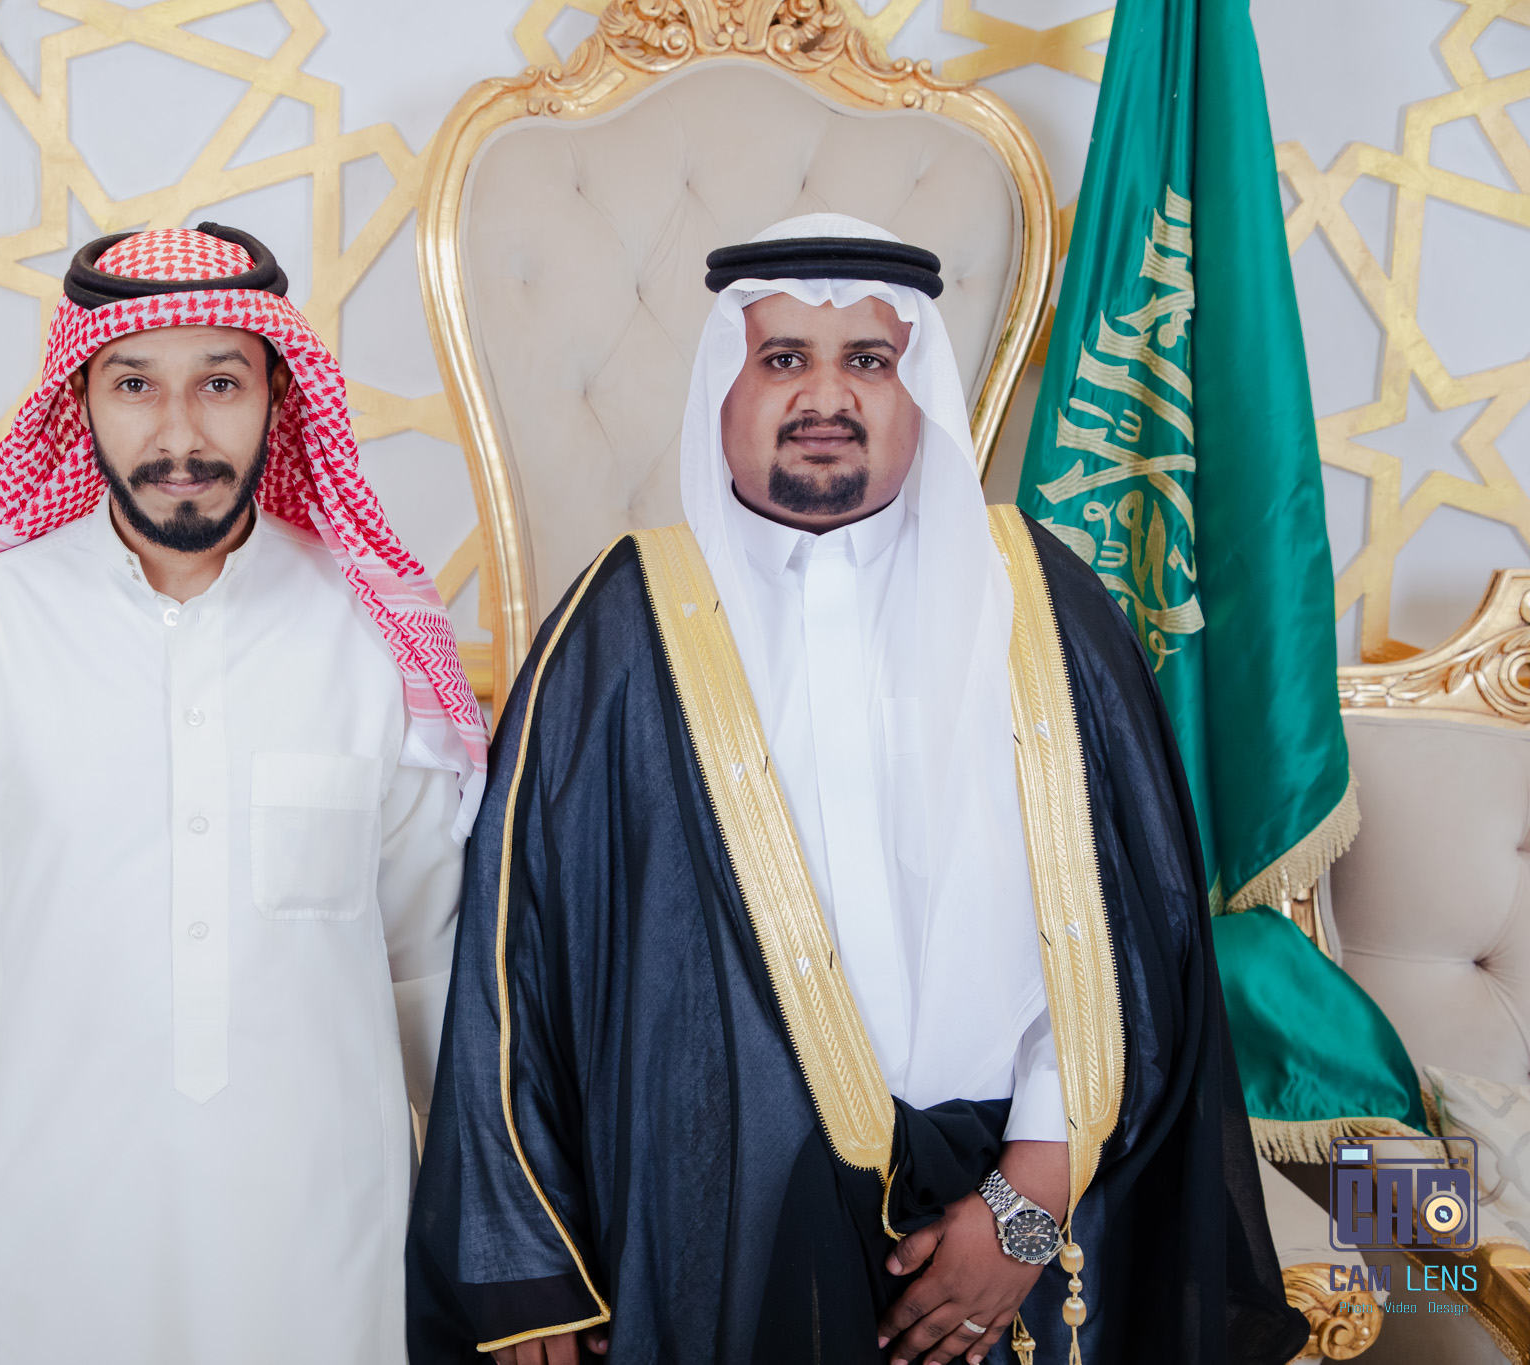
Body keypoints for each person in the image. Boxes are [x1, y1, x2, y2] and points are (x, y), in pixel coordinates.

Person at [406, 215, 1306, 1365]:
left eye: (867, 361)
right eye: (782, 358)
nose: (824, 396)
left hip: (1028, 1223)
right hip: (720, 1219)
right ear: (723, 389)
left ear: (914, 387)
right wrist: (525, 1270)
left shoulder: (1040, 606)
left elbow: (1143, 929)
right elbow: (512, 964)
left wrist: (1026, 1205)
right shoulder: (618, 628)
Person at [0, 224, 487, 1364]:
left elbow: (429, 965)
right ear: (79, 398)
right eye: (135, 384)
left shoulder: (372, 637)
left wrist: (500, 1237)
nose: (179, 434)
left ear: (278, 393)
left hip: (321, 1247)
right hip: (33, 1245)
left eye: (219, 383)